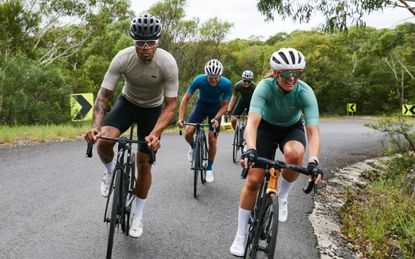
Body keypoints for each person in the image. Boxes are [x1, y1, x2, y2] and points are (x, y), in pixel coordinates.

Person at [84, 13, 179, 238]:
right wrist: (96, 126)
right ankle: (109, 172)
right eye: (140, 43)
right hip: (127, 103)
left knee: (144, 163)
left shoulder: (167, 62)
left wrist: (156, 133)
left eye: (150, 43)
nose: (145, 48)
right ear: (133, 41)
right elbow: (102, 96)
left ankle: (138, 215)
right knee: (105, 140)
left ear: (158, 41)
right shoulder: (122, 58)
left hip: (153, 110)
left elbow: (171, 105)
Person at [229, 47, 322, 256]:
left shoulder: (305, 92)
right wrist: (250, 149)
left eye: (297, 73)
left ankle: (283, 195)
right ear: (276, 73)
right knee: (253, 180)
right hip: (264, 128)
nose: (292, 78)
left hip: (291, 128)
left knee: (295, 154)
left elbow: (313, 131)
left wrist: (314, 161)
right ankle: (241, 233)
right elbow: (252, 122)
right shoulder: (264, 87)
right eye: (287, 73)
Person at [177, 59, 232, 183]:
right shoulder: (199, 80)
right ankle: (193, 147)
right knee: (188, 132)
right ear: (206, 75)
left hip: (216, 110)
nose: (213, 80)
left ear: (220, 75)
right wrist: (181, 118)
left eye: (216, 77)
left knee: (212, 138)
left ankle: (209, 168)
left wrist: (217, 118)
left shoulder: (226, 84)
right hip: (201, 107)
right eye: (211, 77)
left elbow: (225, 105)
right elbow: (185, 99)